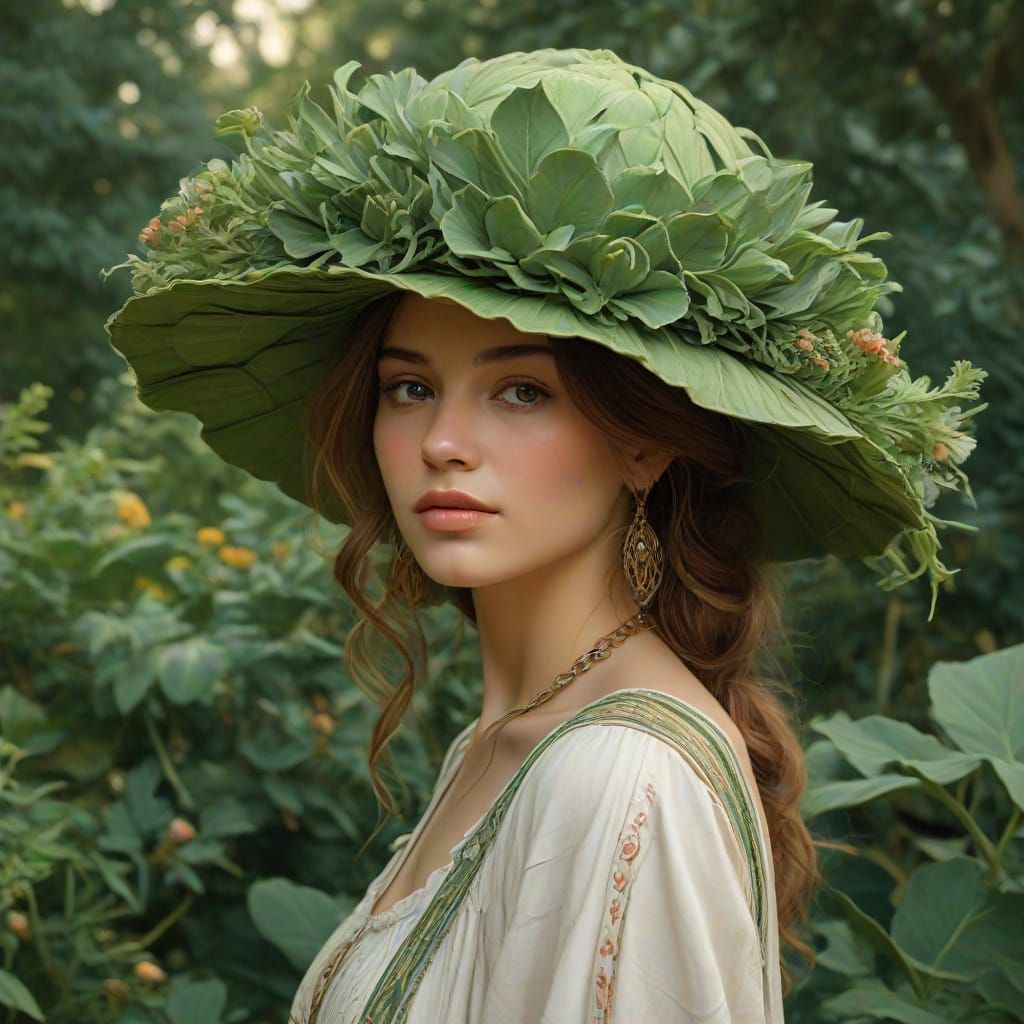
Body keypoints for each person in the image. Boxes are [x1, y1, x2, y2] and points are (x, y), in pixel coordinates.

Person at [102, 47, 986, 1024]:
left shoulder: (618, 777)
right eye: (410, 387)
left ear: (645, 444)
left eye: (521, 391)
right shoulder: (504, 742)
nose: (441, 442)